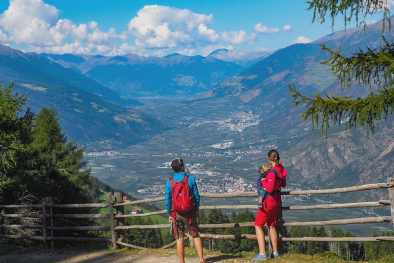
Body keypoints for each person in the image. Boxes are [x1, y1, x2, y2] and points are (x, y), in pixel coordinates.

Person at [165, 158, 206, 263]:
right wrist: (196, 209)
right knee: (195, 235)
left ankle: (182, 262)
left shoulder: (169, 182)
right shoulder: (190, 179)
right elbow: (196, 196)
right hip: (189, 212)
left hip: (176, 213)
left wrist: (169, 213)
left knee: (179, 238)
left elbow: (168, 200)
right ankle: (201, 259)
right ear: (182, 167)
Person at [253, 149, 287, 261]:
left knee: (258, 225)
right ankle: (275, 252)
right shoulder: (280, 170)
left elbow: (270, 188)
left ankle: (262, 254)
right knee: (271, 225)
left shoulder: (272, 172)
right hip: (276, 200)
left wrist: (263, 181)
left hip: (269, 201)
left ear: (269, 158)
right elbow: (284, 183)